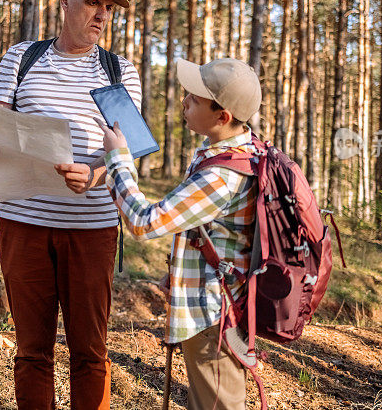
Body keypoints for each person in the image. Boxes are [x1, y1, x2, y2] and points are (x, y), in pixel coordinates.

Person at [0, 0, 141, 410]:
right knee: (31, 351)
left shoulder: (118, 71)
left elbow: (128, 148)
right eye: (92, 3)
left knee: (90, 353)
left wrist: (96, 174)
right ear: (66, 1)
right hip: (23, 225)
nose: (101, 15)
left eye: (108, 7)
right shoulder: (21, 58)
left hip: (92, 229)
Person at [96, 57, 262, 410]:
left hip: (214, 320)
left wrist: (118, 160)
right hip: (217, 312)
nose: (184, 100)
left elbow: (143, 221)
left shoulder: (222, 177)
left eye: (195, 99)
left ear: (223, 117)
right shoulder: (235, 154)